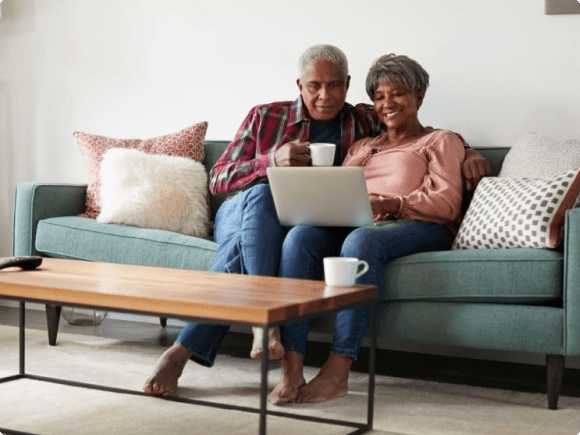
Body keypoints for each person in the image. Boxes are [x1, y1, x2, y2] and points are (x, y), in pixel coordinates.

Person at [143, 45, 489, 398]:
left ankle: (222, 353)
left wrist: (470, 152)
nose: (325, 95)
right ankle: (268, 323)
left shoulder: (362, 123)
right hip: (244, 207)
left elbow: (430, 137)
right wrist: (270, 163)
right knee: (264, 201)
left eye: (335, 86)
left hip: (326, 222)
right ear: (300, 85)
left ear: (347, 85)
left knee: (299, 237)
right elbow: (217, 179)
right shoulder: (269, 117)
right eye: (315, 86)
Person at [268, 53, 468, 405]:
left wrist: (391, 204)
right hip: (360, 223)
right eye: (379, 97)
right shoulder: (361, 146)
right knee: (300, 236)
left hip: (419, 226)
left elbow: (447, 203)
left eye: (398, 94)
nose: (387, 104)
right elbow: (339, 191)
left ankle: (338, 369)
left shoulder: (440, 141)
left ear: (419, 97)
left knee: (362, 239)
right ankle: (292, 363)